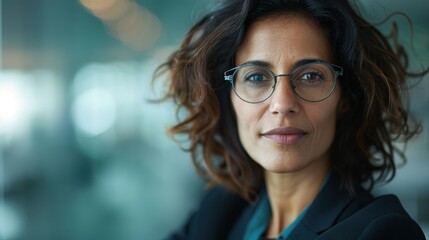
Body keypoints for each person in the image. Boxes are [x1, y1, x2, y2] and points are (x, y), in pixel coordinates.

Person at [155, 0, 428, 239]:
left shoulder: (383, 232)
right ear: (228, 98)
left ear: (344, 99)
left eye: (311, 76)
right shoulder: (220, 210)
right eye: (256, 77)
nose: (283, 105)